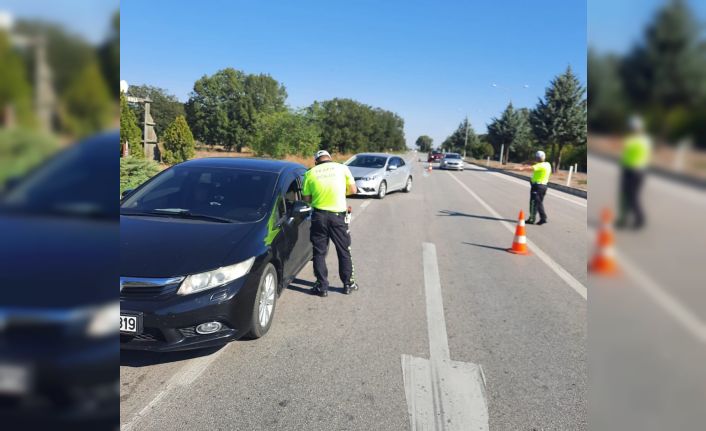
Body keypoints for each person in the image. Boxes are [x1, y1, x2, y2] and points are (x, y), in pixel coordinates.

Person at [301, 150, 358, 297]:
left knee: (319, 252)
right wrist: (338, 192)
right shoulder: (342, 168)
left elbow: (306, 198)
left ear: (316, 161)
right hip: (338, 217)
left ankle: (322, 287)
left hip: (319, 216)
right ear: (330, 159)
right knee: (343, 250)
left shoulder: (310, 173)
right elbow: (353, 189)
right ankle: (348, 284)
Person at [616, 116, 651, 229]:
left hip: (630, 171)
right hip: (641, 171)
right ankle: (633, 219)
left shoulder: (631, 140)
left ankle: (634, 219)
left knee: (627, 197)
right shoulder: (645, 141)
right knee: (633, 196)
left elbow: (623, 149)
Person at [520, 151, 552, 225]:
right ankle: (541, 218)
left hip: (537, 187)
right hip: (543, 186)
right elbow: (534, 164)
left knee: (534, 203)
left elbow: (530, 168)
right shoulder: (547, 164)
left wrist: (521, 168)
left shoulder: (539, 166)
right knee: (538, 203)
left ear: (537, 158)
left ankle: (534, 218)